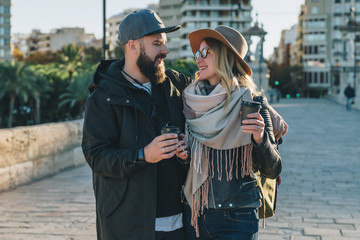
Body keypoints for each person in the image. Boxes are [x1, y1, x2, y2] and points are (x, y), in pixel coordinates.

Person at [82, 9, 191, 240]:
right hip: (127, 223)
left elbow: (218, 89)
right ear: (133, 46)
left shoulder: (174, 83)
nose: (165, 50)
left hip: (176, 221)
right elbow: (96, 156)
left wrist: (265, 109)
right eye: (157, 43)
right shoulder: (103, 96)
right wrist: (143, 154)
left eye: (164, 43)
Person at [182, 25, 282, 240]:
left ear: (224, 56)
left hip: (238, 217)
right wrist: (182, 154)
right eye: (197, 53)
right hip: (195, 215)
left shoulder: (253, 103)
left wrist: (260, 138)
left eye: (205, 52)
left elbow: (272, 169)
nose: (198, 59)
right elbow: (188, 166)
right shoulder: (190, 101)